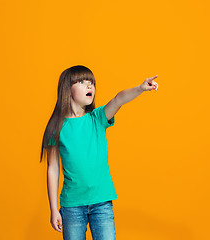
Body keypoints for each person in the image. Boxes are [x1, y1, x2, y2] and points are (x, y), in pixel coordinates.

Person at [40, 65, 159, 240]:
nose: (89, 86)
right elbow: (52, 168)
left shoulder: (97, 118)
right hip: (71, 206)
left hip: (101, 203)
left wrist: (140, 88)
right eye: (82, 82)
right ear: (67, 88)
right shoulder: (56, 127)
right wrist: (53, 209)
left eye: (91, 83)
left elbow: (118, 99)